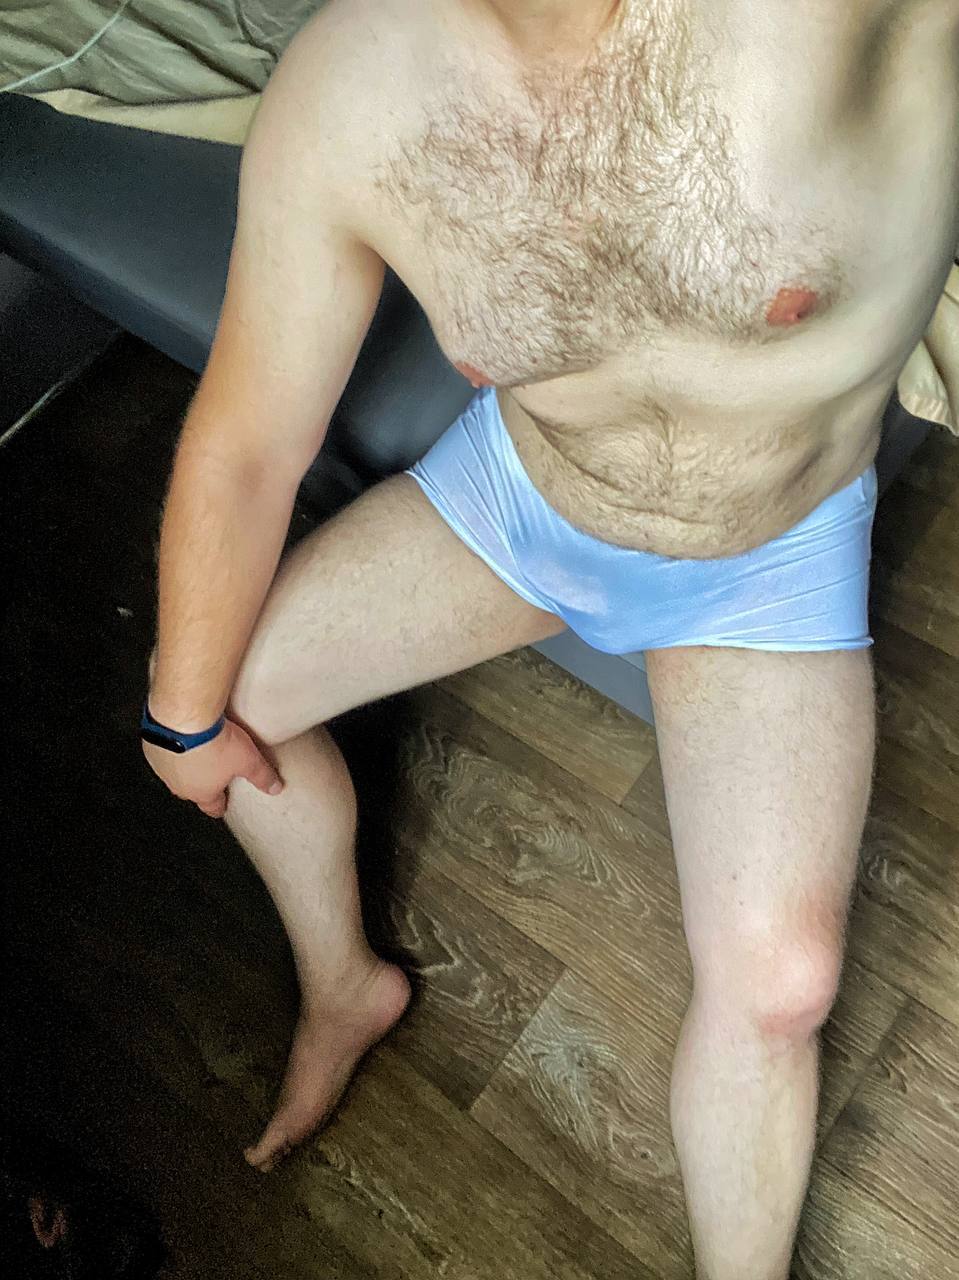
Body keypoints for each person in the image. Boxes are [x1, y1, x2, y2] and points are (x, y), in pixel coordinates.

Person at [140, 0, 959, 1274]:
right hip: (521, 505)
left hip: (769, 555)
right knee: (227, 717)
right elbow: (247, 446)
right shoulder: (350, 85)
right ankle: (344, 983)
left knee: (782, 984)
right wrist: (179, 712)